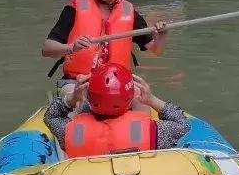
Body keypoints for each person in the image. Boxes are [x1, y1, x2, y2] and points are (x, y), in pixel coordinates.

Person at [42, 0, 170, 104]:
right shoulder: (74, 9)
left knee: (142, 107)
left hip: (117, 84)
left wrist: (160, 37)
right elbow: (47, 49)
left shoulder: (129, 12)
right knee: (81, 104)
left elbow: (156, 50)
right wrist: (71, 47)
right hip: (77, 81)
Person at [43, 63, 189, 157]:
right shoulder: (154, 133)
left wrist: (73, 98)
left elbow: (51, 116)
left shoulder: (69, 132)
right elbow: (182, 123)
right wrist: (151, 99)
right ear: (130, 96)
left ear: (88, 97)